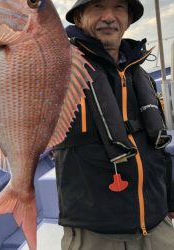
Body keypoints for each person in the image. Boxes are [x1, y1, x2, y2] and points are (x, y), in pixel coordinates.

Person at [53, 0, 174, 249]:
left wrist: (171, 201)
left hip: (158, 225)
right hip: (96, 234)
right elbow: (11, 41)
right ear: (78, 18)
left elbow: (158, 150)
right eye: (97, 6)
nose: (109, 16)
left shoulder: (140, 75)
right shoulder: (59, 67)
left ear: (129, 19)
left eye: (119, 7)